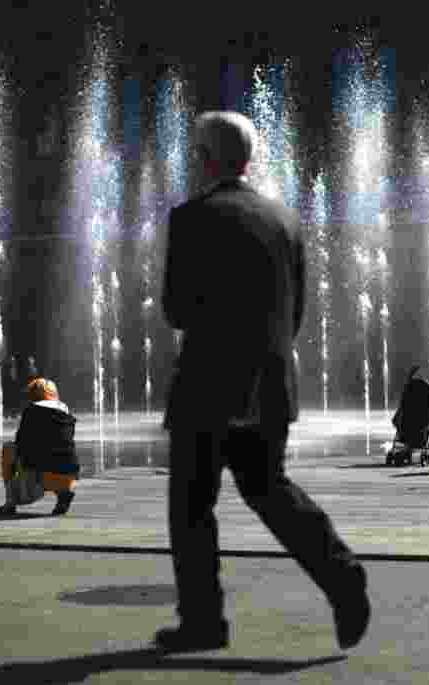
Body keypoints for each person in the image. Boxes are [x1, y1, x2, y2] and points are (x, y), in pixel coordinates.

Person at [157, 110, 369, 653]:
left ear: (205, 159)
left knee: (191, 503)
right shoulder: (285, 219)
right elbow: (296, 311)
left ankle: (203, 621)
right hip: (270, 382)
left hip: (207, 385)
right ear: (248, 159)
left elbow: (177, 310)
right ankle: (341, 574)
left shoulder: (191, 217)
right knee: (270, 490)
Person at [0, 378, 79, 517]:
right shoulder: (65, 411)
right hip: (69, 476)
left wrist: (20, 469)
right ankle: (63, 493)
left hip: (39, 481)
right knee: (59, 454)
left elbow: (21, 442)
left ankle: (10, 503)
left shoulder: (31, 411)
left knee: (8, 449)